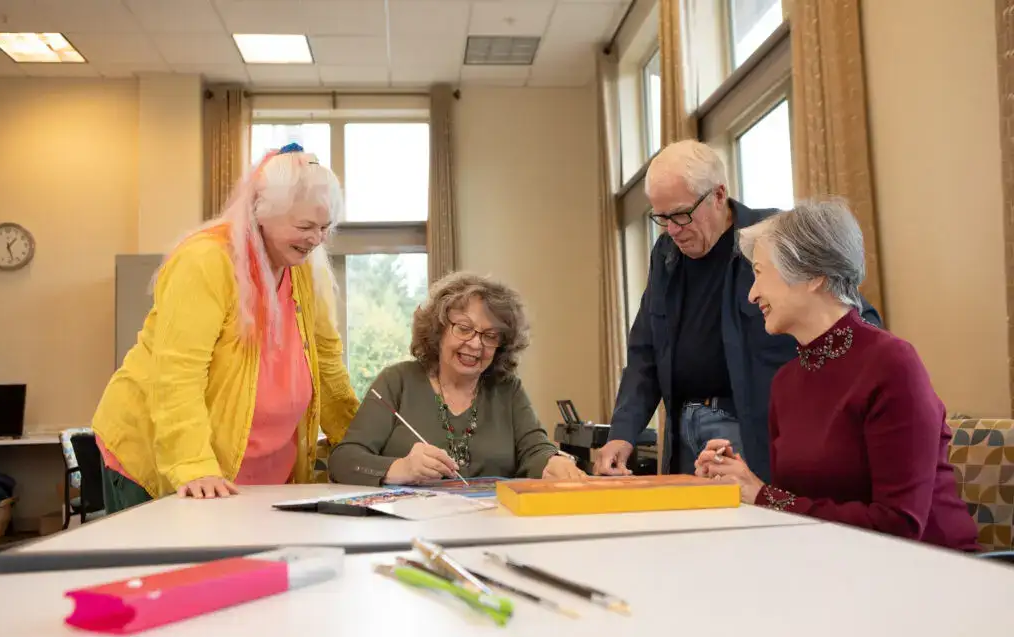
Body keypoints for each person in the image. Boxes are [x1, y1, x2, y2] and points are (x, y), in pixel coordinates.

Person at [695, 199, 978, 551]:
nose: (752, 294)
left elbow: (900, 526)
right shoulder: (786, 383)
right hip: (838, 566)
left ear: (813, 275)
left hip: (934, 573)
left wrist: (763, 495)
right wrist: (739, 479)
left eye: (760, 273)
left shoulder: (892, 364)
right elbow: (797, 508)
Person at [92, 143, 360, 511]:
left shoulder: (305, 271)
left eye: (325, 228)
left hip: (256, 472)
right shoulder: (205, 260)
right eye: (305, 227)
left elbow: (327, 368)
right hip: (160, 457)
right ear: (261, 213)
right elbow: (177, 373)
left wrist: (363, 446)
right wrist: (192, 465)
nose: (317, 240)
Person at [594, 140, 880, 481]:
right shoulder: (666, 255)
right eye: (662, 217)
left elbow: (852, 316)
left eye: (682, 214)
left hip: (751, 430)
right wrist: (623, 432)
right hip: (685, 431)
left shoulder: (772, 239)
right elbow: (645, 353)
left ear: (718, 195)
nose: (672, 230)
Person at [330, 272, 586, 485]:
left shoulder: (508, 389)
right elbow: (344, 461)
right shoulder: (397, 381)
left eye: (490, 335)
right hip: (410, 530)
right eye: (464, 329)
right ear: (439, 329)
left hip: (492, 526)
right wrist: (401, 468)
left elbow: (536, 450)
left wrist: (554, 462)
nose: (475, 344)